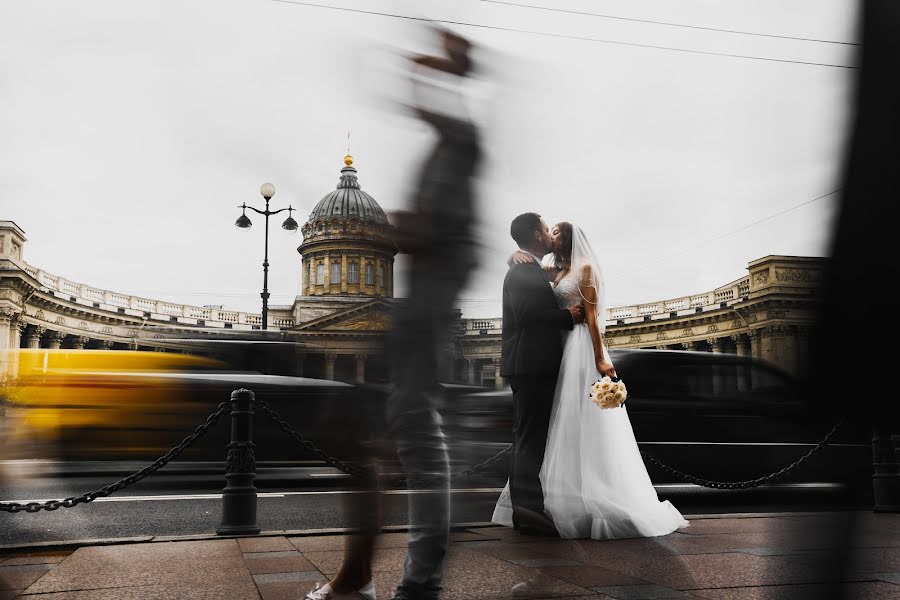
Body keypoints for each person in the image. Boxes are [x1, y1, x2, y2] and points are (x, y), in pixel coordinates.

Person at [306, 27, 481, 600]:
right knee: (393, 445)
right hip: (411, 317)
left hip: (418, 317)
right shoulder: (451, 144)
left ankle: (397, 583)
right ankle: (363, 578)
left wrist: (414, 232)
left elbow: (455, 242)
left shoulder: (462, 143)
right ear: (319, 260)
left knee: (414, 451)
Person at [493, 220, 689, 539]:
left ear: (567, 238)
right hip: (551, 355)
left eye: (555, 231)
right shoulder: (543, 270)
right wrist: (513, 255)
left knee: (567, 428)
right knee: (550, 431)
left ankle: (562, 500)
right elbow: (528, 299)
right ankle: (537, 507)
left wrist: (600, 357)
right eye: (546, 229)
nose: (549, 234)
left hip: (576, 349)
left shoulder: (580, 269)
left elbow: (593, 318)